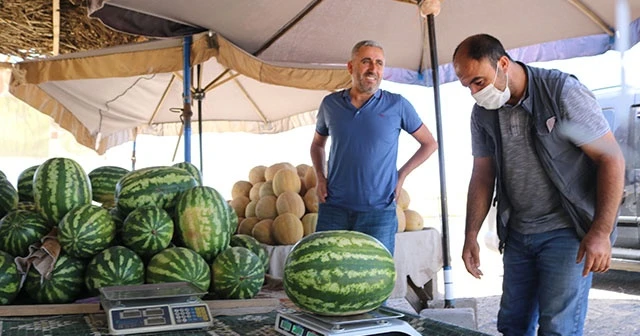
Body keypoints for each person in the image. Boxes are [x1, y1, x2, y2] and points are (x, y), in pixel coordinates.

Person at [453, 34, 625, 335]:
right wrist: (471, 234)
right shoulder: (483, 112)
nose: (474, 93)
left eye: (478, 82)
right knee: (512, 325)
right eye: (468, 85)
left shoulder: (561, 93)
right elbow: (482, 174)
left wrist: (600, 231)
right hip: (519, 234)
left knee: (557, 328)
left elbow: (611, 159)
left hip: (567, 233)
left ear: (503, 64)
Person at [309, 40, 438, 255]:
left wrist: (401, 175)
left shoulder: (397, 105)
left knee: (376, 283)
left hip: (379, 213)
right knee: (327, 281)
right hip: (333, 209)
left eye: (379, 63)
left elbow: (429, 143)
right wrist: (320, 178)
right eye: (366, 61)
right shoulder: (330, 104)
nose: (373, 69)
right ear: (350, 67)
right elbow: (317, 145)